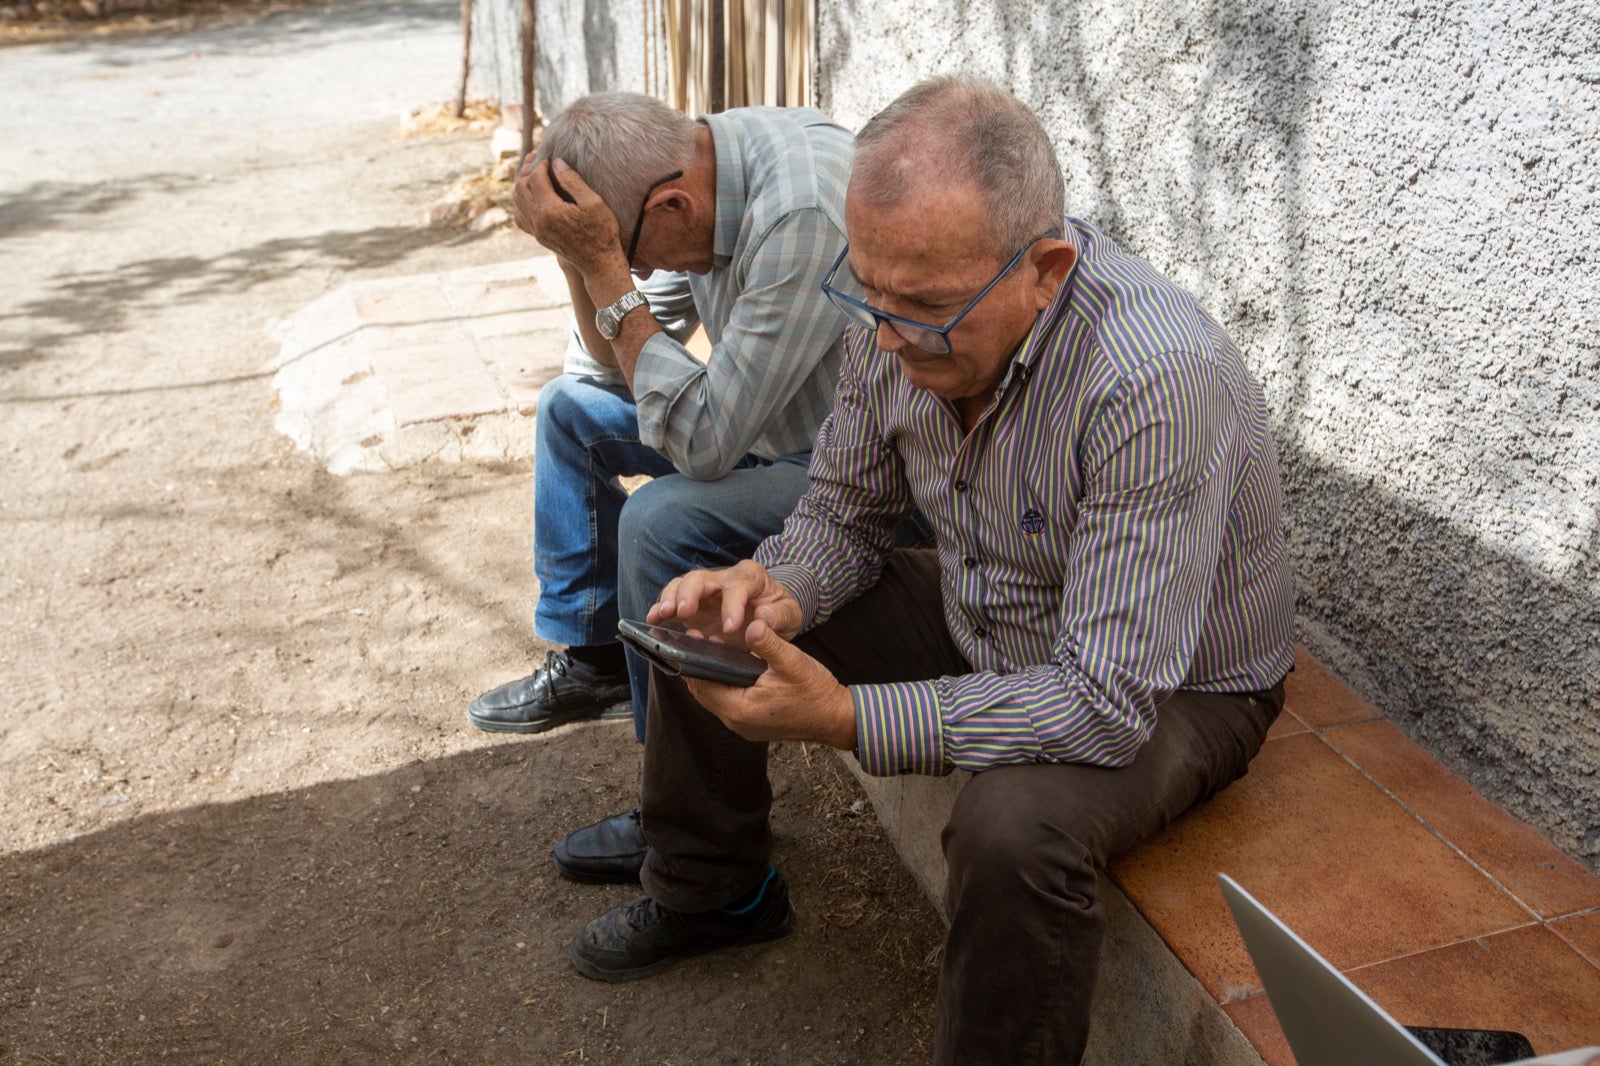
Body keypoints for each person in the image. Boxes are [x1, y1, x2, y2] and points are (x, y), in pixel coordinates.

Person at [562, 76, 1297, 1064]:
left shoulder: (1155, 380)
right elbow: (842, 514)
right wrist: (776, 589)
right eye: (869, 292)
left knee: (1012, 833)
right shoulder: (895, 305)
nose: (885, 335)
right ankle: (709, 888)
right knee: (717, 618)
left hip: (1182, 685)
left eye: (925, 309)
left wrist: (844, 716)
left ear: (1045, 270)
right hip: (988, 604)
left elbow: (1104, 699)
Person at [468, 92, 854, 878]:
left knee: (658, 519)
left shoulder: (801, 212)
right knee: (569, 409)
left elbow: (705, 445)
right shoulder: (696, 175)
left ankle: (694, 836)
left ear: (673, 204)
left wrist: (608, 271)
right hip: (756, 429)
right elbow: (608, 360)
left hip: (841, 477)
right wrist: (578, 256)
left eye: (633, 253)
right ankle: (597, 661)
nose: (639, 273)